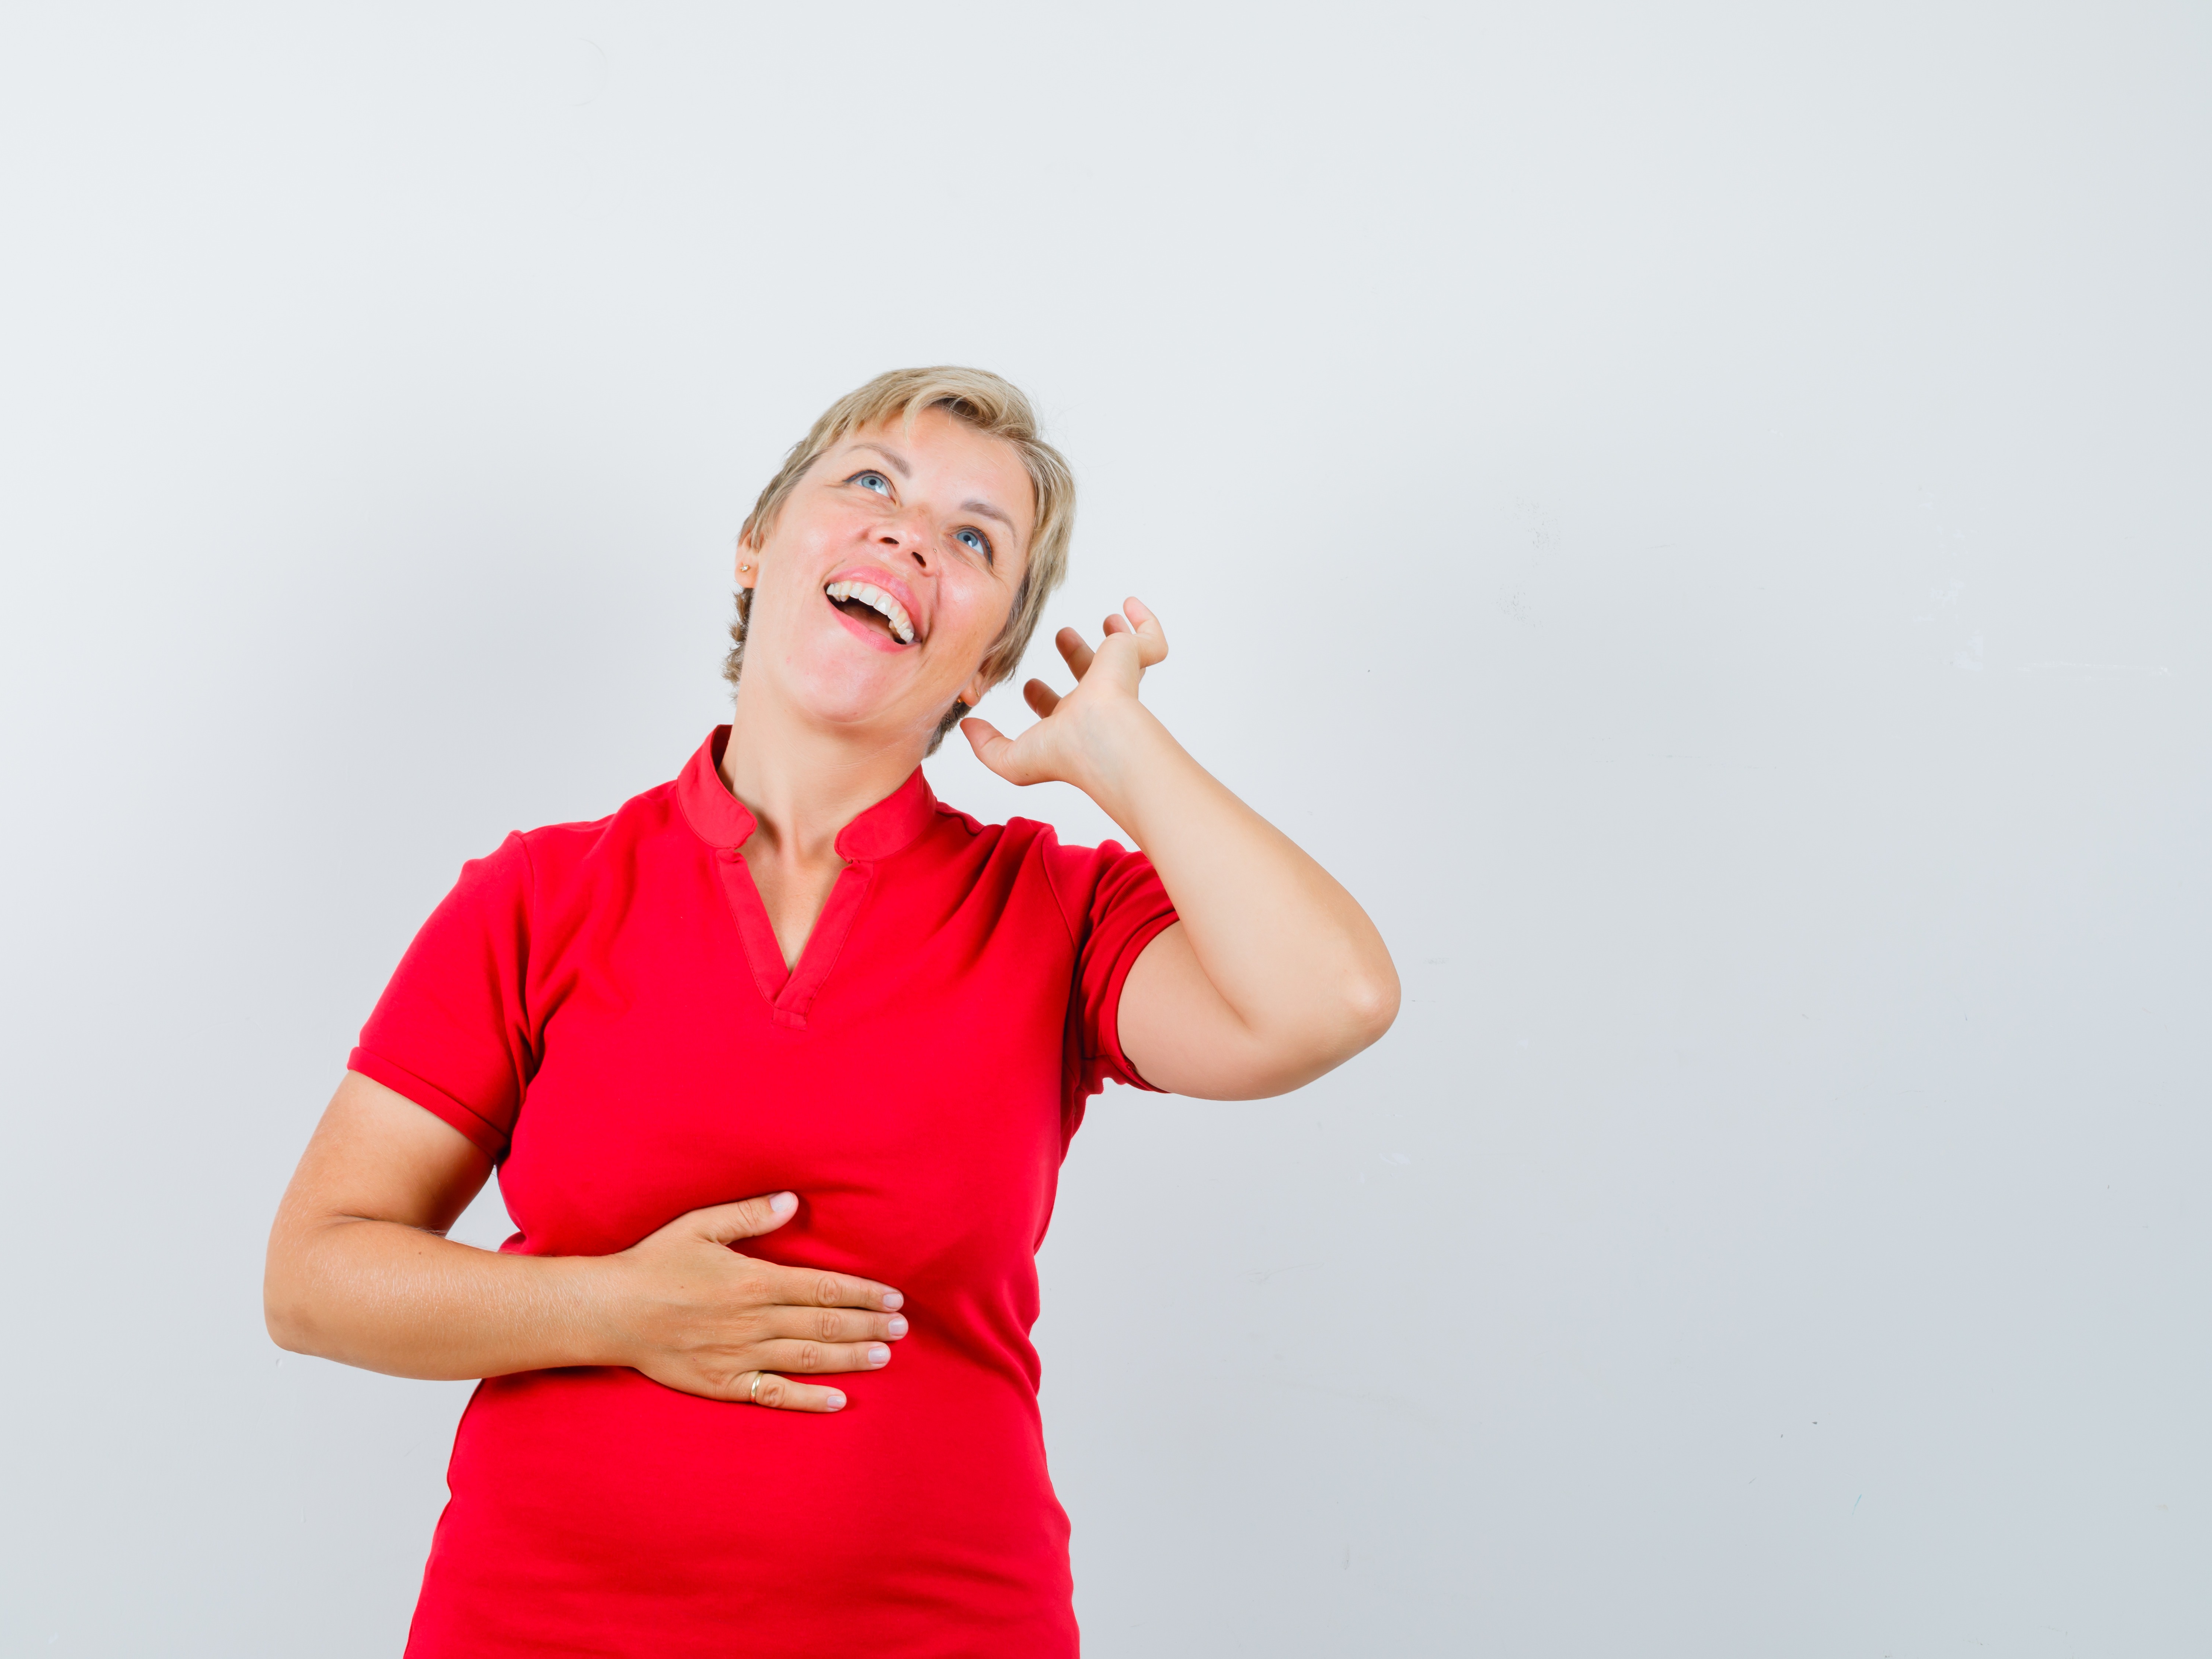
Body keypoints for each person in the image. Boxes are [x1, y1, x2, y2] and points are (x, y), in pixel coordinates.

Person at [263, 367, 1399, 1657]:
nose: (910, 534)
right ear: (757, 550)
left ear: (991, 660)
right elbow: (315, 1279)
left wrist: (1120, 751)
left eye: (976, 540)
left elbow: (1335, 999)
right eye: (872, 483)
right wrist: (617, 1309)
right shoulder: (541, 894)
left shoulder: (1051, 911)